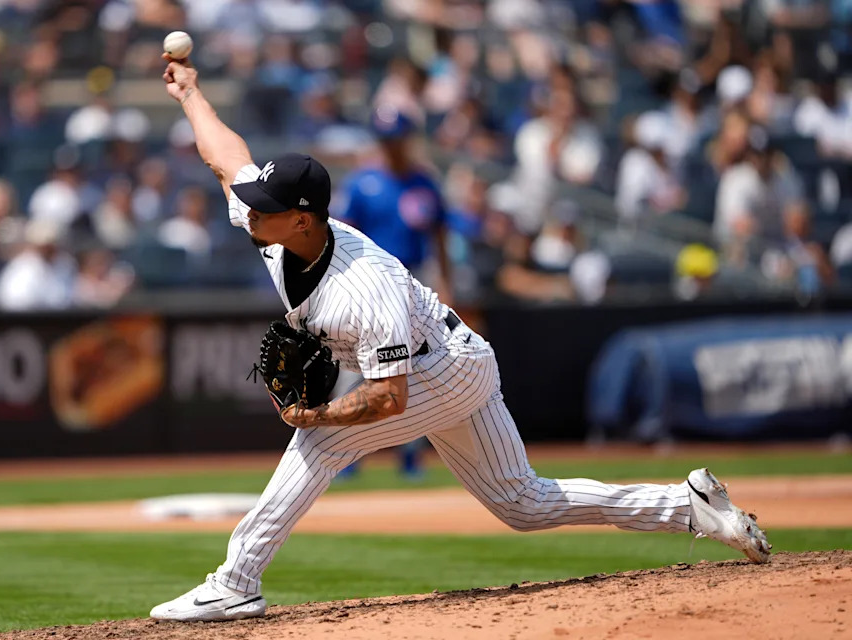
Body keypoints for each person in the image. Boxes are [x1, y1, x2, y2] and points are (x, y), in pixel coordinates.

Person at [150, 51, 772, 624]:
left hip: (438, 369)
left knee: (319, 445)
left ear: (304, 217)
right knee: (523, 504)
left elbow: (389, 399)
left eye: (265, 205)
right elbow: (224, 156)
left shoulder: (365, 290)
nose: (249, 210)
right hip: (456, 358)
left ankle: (236, 581)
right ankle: (690, 506)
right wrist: (190, 95)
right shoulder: (276, 229)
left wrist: (317, 412)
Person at [331, 105, 455, 479]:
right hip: (367, 283)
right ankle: (344, 452)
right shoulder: (362, 182)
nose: (392, 146)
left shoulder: (424, 183)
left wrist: (446, 283)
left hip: (413, 283)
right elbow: (340, 237)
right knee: (355, 368)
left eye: (397, 139)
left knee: (417, 370)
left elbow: (440, 237)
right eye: (386, 139)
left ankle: (411, 455)